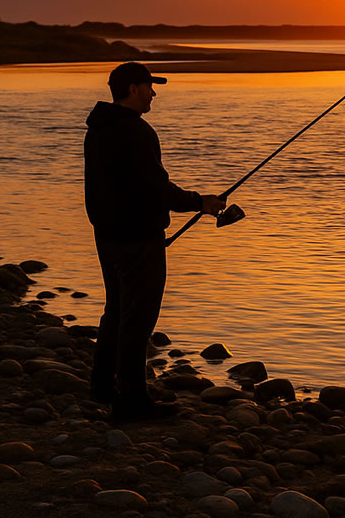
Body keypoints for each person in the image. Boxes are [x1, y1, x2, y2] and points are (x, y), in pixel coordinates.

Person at [84, 62, 225, 421]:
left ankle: (102, 387)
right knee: (138, 319)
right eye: (149, 87)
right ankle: (132, 402)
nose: (153, 93)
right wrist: (200, 202)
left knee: (116, 311)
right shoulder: (136, 131)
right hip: (136, 237)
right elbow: (154, 188)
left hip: (107, 234)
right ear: (132, 88)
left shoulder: (99, 128)